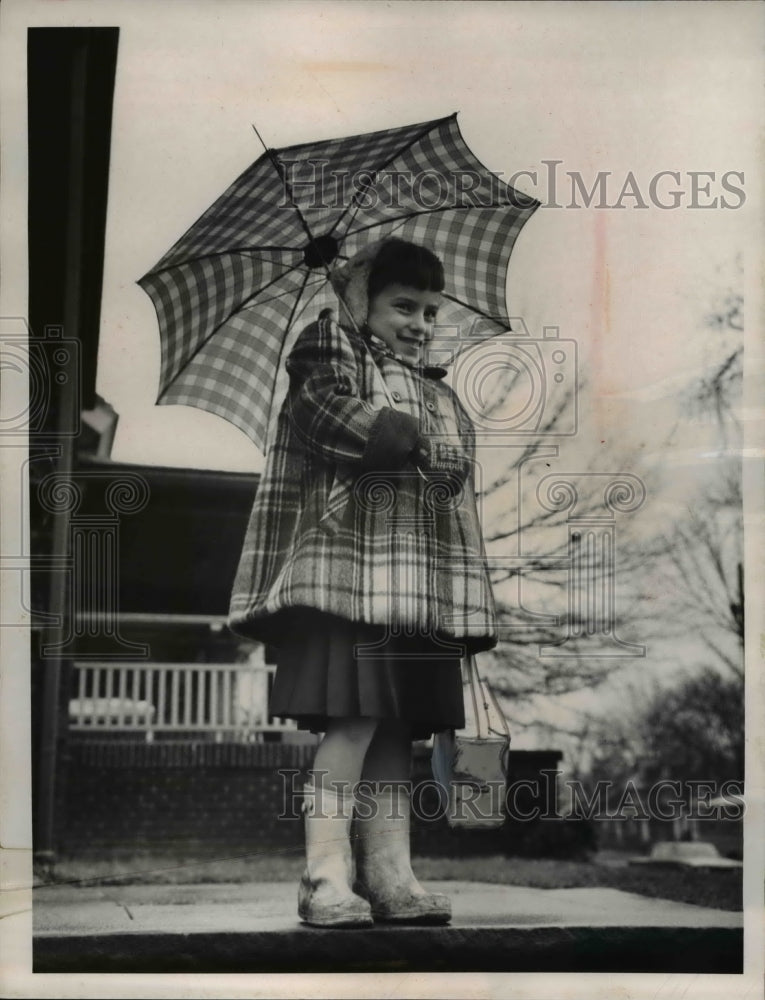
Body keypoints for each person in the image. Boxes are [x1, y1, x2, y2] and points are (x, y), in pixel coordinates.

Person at [228, 237, 497, 927]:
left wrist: (445, 458)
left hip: (415, 588)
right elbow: (324, 418)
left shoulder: (433, 389)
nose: (420, 324)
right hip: (350, 579)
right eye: (403, 305)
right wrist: (407, 436)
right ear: (360, 299)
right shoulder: (328, 352)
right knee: (352, 721)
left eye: (430, 311)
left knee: (395, 732)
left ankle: (389, 876)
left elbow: (448, 477)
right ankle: (323, 879)